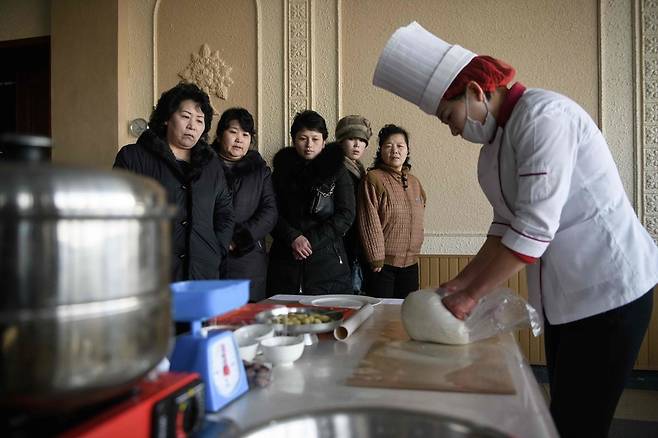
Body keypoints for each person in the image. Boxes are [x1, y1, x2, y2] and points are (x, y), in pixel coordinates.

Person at [372, 21, 658, 438]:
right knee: (562, 414)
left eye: (449, 116)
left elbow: (535, 227)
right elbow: (503, 227)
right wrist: (457, 284)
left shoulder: (545, 117)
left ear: (474, 93)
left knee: (579, 423)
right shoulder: (493, 152)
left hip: (610, 289)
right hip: (568, 299)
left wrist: (471, 296)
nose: (452, 129)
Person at [114, 82, 234, 281]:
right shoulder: (134, 157)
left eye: (199, 120)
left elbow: (225, 213)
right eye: (185, 117)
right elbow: (118, 214)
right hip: (151, 274)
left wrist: (215, 248)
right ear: (166, 119)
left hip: (202, 273)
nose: (192, 126)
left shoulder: (211, 164)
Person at [267, 110, 354, 295]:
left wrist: (310, 242)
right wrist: (293, 237)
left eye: (315, 139)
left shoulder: (338, 171)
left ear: (324, 142)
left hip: (328, 262)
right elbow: (270, 211)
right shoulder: (281, 171)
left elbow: (346, 214)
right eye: (303, 138)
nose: (309, 145)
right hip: (286, 259)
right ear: (293, 139)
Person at [212, 107, 277, 302]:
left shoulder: (260, 171)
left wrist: (240, 239)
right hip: (209, 256)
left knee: (248, 321)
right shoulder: (204, 166)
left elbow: (269, 211)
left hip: (248, 259)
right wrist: (219, 239)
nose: (239, 139)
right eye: (233, 132)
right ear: (219, 134)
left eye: (245, 134)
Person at [358, 124, 426, 299]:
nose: (395, 150)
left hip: (411, 263)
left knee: (405, 315)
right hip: (382, 265)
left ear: (407, 150)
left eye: (400, 146)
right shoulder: (373, 178)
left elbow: (420, 215)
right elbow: (369, 219)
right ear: (381, 150)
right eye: (388, 146)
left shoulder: (414, 182)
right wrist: (376, 257)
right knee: (381, 317)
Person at [335, 114, 372, 294]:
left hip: (358, 242)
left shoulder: (361, 171)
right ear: (341, 141)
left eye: (361, 140)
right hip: (341, 242)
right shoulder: (334, 169)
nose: (357, 145)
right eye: (351, 139)